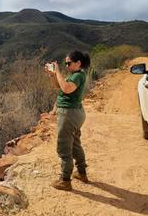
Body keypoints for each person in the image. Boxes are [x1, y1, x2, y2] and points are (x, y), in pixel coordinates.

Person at [45, 50, 91, 191]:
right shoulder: (75, 75)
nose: (66, 66)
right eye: (65, 64)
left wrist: (58, 71)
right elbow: (57, 86)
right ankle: (81, 173)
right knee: (75, 144)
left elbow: (66, 88)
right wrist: (52, 75)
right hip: (74, 113)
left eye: (68, 63)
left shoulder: (77, 75)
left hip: (69, 114)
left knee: (64, 146)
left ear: (78, 63)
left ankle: (65, 180)